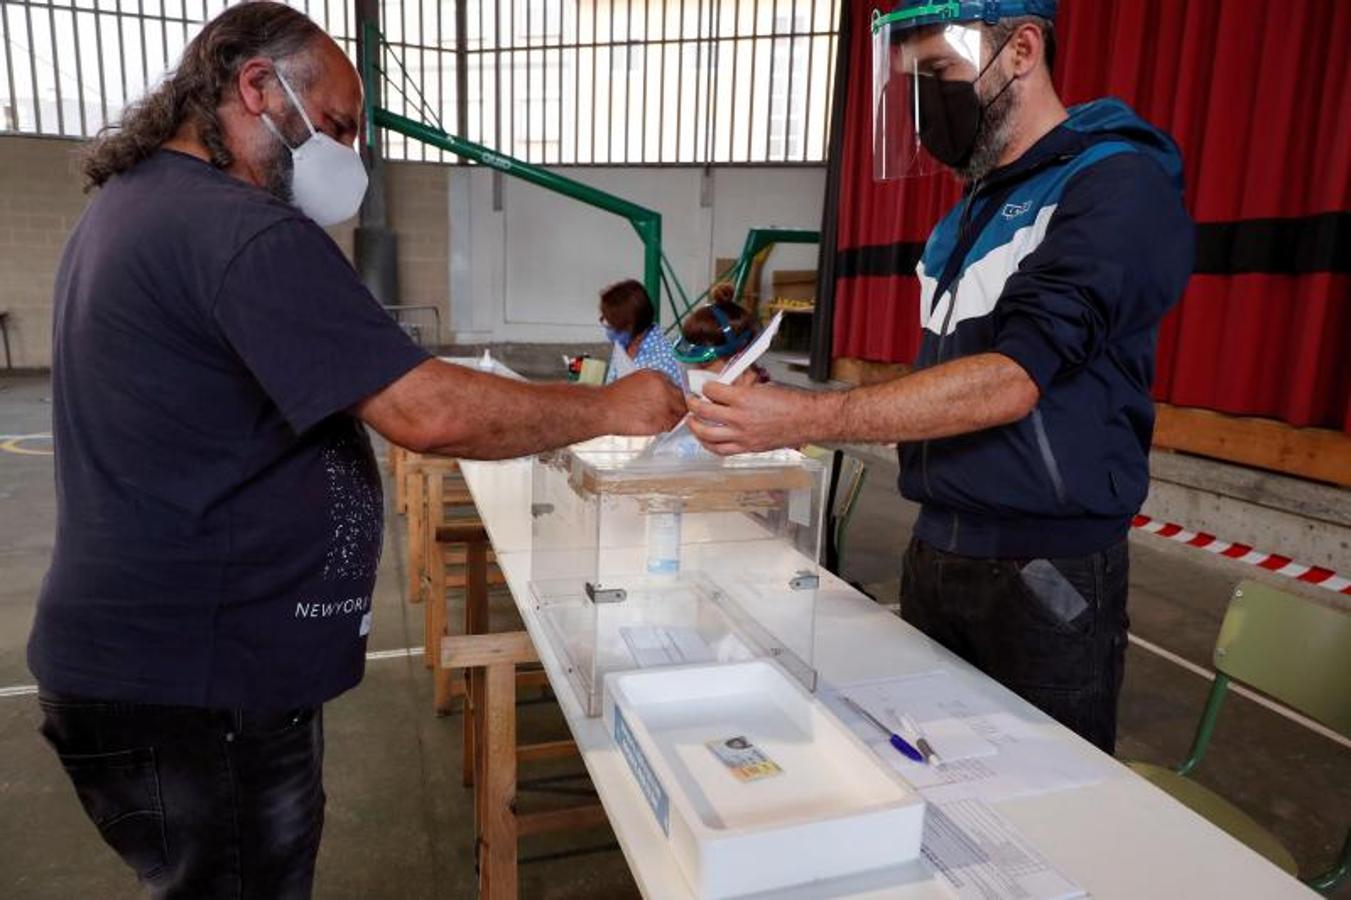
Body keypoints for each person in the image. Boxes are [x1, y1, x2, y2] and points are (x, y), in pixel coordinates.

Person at [27, 4, 682, 897]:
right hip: (202, 683)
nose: (348, 153)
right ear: (256, 87)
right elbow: (426, 412)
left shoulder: (138, 208)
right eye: (336, 125)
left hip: (165, 667)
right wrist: (612, 405)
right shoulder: (236, 228)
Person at [687, 0, 1194, 753]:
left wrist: (804, 418)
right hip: (935, 549)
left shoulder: (1113, 183)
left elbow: (1007, 381)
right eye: (911, 83)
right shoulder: (967, 214)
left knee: (1044, 801)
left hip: (1041, 568)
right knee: (928, 779)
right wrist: (790, 400)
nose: (926, 103)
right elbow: (942, 385)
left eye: (938, 73)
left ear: (1021, 49)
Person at [671, 291, 768, 386]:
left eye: (705, 361)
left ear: (739, 357)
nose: (695, 370)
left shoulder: (763, 397)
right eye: (690, 362)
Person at [600, 278, 684, 386]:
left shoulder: (665, 359)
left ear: (629, 325)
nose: (606, 326)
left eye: (611, 323)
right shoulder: (623, 345)